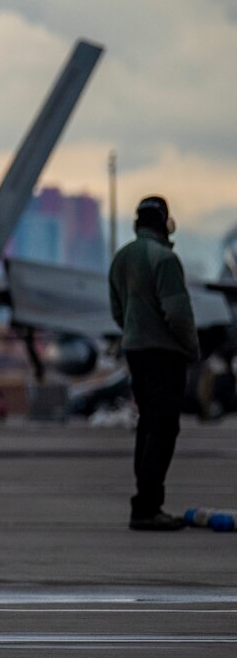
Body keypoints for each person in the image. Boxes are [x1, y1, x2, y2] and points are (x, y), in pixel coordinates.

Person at [109, 195, 199, 532]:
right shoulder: (164, 260)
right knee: (163, 429)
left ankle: (146, 502)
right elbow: (177, 312)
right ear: (165, 223)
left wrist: (133, 333)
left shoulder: (121, 258)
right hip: (164, 354)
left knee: (148, 427)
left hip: (135, 351)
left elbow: (117, 309)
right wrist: (192, 348)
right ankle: (147, 508)